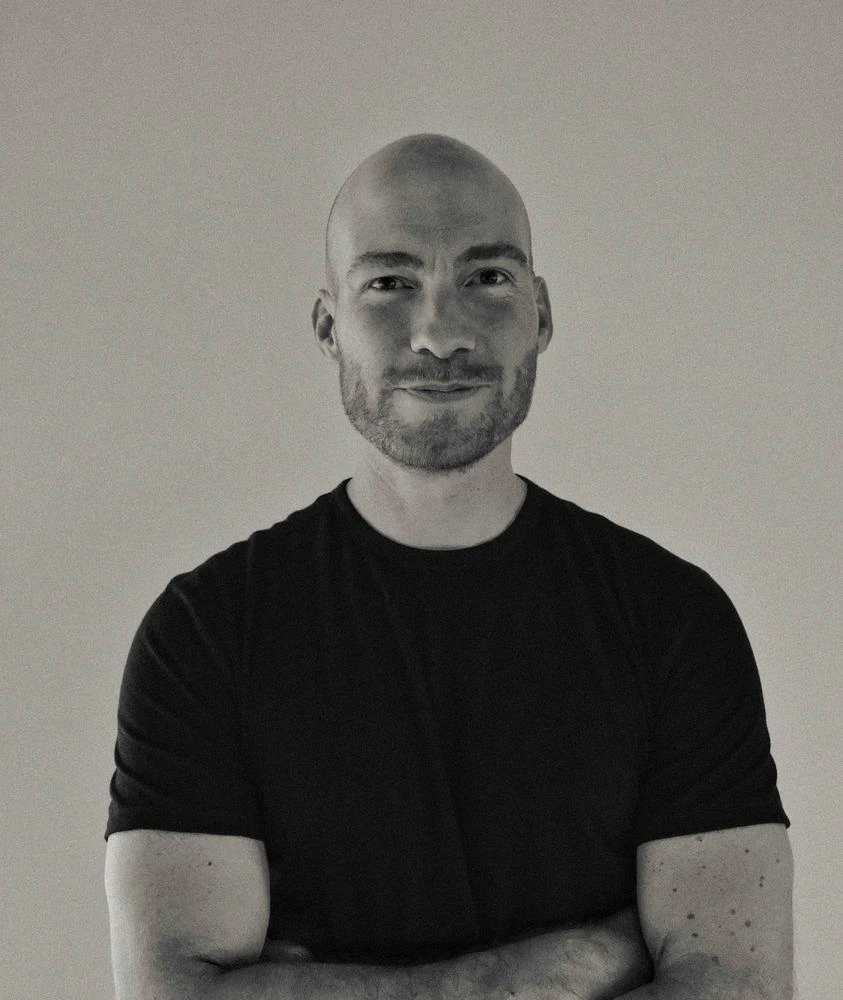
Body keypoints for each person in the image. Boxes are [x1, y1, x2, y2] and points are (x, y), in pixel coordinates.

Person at [104, 134, 793, 1000]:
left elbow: (739, 987)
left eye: (486, 277)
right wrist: (549, 971)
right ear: (328, 327)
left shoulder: (672, 619)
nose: (438, 334)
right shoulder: (204, 634)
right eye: (390, 283)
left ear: (540, 314)